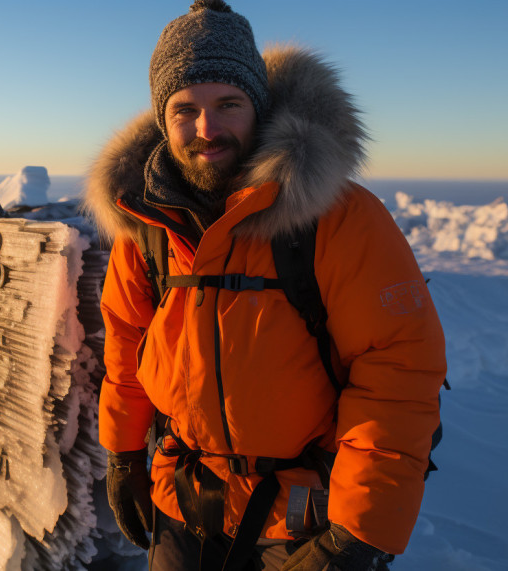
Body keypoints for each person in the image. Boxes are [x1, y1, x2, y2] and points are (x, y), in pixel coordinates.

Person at [82, 1, 446, 569]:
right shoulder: (146, 226)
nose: (207, 129)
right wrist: (125, 454)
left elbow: (397, 372)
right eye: (184, 110)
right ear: (161, 118)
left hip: (306, 523)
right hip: (183, 505)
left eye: (228, 103)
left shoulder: (338, 217)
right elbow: (127, 347)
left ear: (260, 104)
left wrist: (359, 534)